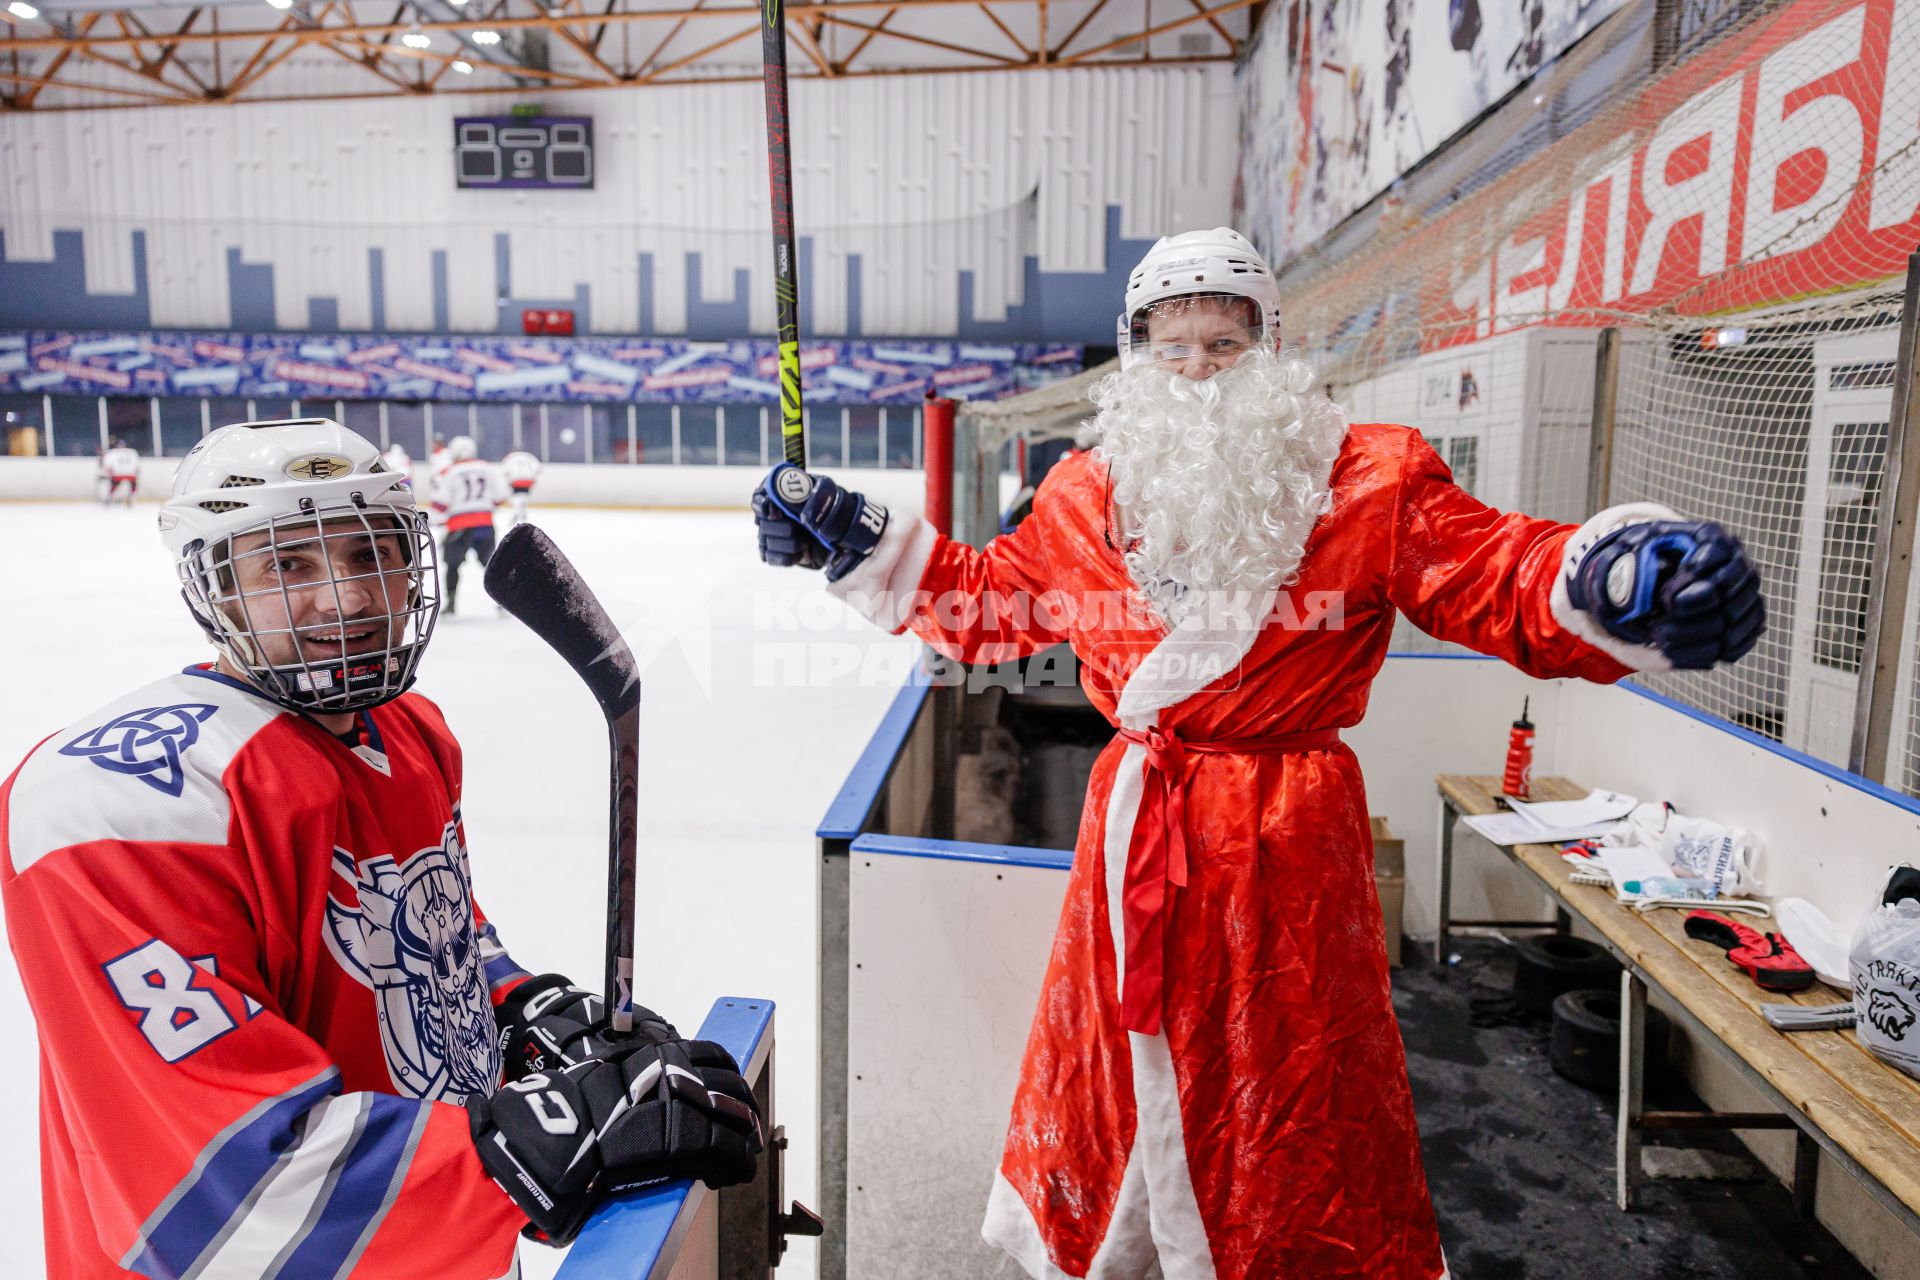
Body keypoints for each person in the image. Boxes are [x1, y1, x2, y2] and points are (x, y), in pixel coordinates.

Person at [754, 228, 1764, 1279]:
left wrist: (1605, 576)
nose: (1195, 373)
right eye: (1172, 348)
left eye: (1223, 345)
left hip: (1285, 852)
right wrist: (856, 538)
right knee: (1125, 1076)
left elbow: (1496, 570)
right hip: (1136, 834)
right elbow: (991, 602)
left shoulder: (1370, 479)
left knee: (1287, 1093)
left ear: (1270, 348)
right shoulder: (1082, 495)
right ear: (1136, 358)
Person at [3, 418, 762, 1279]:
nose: (350, 597)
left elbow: (426, 941)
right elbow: (221, 1197)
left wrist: (523, 1016)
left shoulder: (407, 732)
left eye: (373, 554)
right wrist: (541, 1143)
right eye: (288, 564)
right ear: (213, 585)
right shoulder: (120, 806)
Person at [429, 435, 507, 614]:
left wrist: (437, 519)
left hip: (458, 526)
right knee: (490, 565)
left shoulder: (448, 472)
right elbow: (500, 497)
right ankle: (504, 601)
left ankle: (450, 604)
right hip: (484, 524)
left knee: (453, 565)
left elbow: (440, 503)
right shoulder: (487, 468)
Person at [501, 448, 543, 526]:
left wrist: (508, 480)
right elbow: (539, 469)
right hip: (528, 480)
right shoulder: (529, 456)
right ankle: (523, 512)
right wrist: (533, 476)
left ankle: (517, 511)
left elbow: (505, 471)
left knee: (515, 497)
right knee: (525, 496)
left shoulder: (510, 457)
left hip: (515, 480)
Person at [101, 437, 141, 507]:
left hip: (118, 473)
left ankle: (109, 498)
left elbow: (106, 463)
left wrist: (107, 471)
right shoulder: (132, 452)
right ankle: (131, 499)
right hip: (130, 474)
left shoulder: (113, 452)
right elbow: (137, 464)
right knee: (133, 485)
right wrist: (136, 471)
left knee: (114, 486)